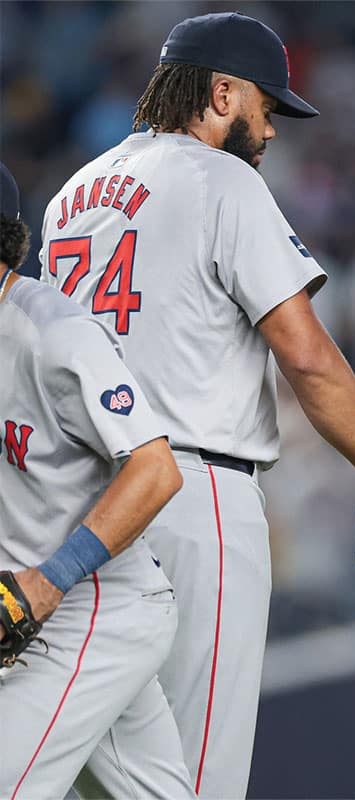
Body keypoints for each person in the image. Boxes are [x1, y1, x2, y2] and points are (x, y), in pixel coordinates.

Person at [38, 13, 355, 798]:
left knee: (106, 777)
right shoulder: (223, 181)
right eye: (266, 106)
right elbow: (306, 355)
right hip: (190, 497)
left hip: (75, 508)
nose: (272, 129)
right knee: (196, 776)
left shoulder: (69, 195)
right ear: (221, 92)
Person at [0, 162, 194, 798]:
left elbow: (155, 469)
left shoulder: (54, 333)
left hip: (93, 612)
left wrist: (49, 581)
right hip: (40, 620)